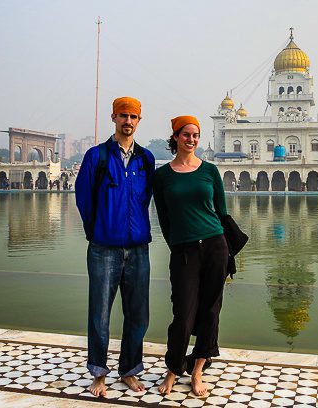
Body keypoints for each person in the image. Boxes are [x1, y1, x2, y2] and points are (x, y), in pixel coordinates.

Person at [74, 96, 155, 397]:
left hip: (137, 248)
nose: (128, 121)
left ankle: (129, 370)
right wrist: (97, 231)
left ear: (139, 120)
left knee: (138, 313)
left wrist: (133, 227)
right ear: (113, 118)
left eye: (133, 116)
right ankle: (98, 373)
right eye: (123, 116)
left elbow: (144, 197)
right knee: (100, 314)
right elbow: (83, 198)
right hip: (104, 248)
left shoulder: (145, 159)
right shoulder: (98, 156)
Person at [153, 116, 229, 397]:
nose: (192, 139)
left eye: (196, 135)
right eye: (186, 135)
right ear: (175, 138)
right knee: (182, 313)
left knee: (210, 311)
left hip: (214, 245)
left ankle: (197, 371)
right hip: (184, 249)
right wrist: (177, 244)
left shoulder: (209, 171)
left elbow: (221, 212)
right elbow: (163, 216)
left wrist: (225, 250)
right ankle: (173, 369)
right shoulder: (162, 176)